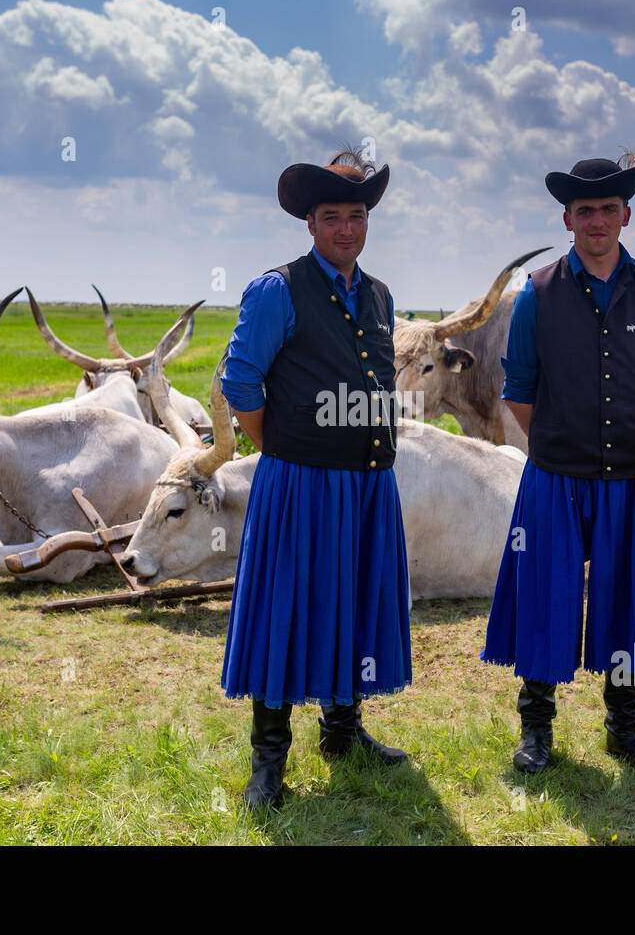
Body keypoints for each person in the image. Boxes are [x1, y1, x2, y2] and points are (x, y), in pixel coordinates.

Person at [482, 152, 635, 775]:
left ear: (625, 215)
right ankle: (536, 731)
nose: (596, 220)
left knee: (628, 603)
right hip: (557, 478)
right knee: (546, 596)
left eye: (607, 209)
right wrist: (559, 444)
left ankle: (625, 731)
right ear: (567, 218)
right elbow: (518, 388)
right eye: (584, 210)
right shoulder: (537, 295)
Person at [218, 149, 412, 810]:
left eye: (357, 217)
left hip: (366, 484)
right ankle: (268, 763)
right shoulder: (278, 288)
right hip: (299, 482)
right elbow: (240, 379)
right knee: (287, 610)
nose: (347, 231)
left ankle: (343, 732)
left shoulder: (381, 296)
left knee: (354, 600)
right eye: (333, 218)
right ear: (309, 223)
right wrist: (279, 444)